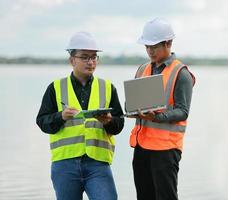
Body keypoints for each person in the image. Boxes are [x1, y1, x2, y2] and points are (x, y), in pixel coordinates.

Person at [36, 31, 124, 200]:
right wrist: (61, 116)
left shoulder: (108, 87)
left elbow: (119, 124)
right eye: (84, 57)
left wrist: (109, 121)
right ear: (72, 60)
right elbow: (42, 122)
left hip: (98, 164)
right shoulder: (55, 88)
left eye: (94, 57)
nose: (90, 62)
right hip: (64, 165)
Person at [128, 18, 196, 200]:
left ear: (168, 43)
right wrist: (131, 109)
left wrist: (157, 117)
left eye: (154, 46)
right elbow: (133, 102)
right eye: (147, 46)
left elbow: (183, 111)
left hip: (166, 150)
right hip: (141, 147)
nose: (150, 51)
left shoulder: (181, 73)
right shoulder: (142, 69)